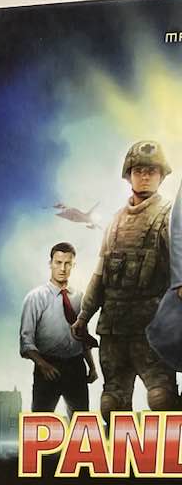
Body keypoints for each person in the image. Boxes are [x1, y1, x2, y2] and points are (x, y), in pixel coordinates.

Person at [72, 141, 178, 423]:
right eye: (139, 170)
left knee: (162, 399)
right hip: (114, 329)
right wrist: (83, 316)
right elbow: (100, 275)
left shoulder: (170, 217)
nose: (145, 176)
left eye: (152, 171)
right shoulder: (115, 221)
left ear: (162, 175)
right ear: (128, 174)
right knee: (112, 403)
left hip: (152, 327)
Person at [20, 242, 98, 416]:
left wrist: (92, 366)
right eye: (58, 262)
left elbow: (82, 336)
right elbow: (26, 342)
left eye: (67, 263)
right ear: (51, 264)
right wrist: (43, 365)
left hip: (76, 367)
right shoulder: (36, 298)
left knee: (81, 422)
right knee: (41, 422)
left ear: (73, 265)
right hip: (47, 366)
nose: (63, 268)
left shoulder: (79, 297)